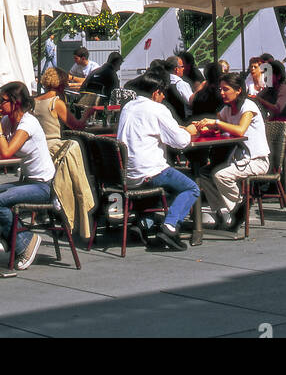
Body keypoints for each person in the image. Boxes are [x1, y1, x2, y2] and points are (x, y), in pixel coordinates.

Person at [0, 81, 57, 269]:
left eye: (3, 101)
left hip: (43, 185)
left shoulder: (28, 123)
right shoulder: (8, 121)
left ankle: (25, 239)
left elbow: (6, 152)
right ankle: (13, 239)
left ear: (16, 102)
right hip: (27, 181)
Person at [116, 75, 200, 251]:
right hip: (149, 171)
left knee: (164, 190)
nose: (164, 99)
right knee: (191, 188)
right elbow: (180, 142)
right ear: (156, 93)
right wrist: (190, 130)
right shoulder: (157, 109)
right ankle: (170, 227)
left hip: (127, 175)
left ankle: (142, 223)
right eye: (163, 95)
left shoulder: (128, 107)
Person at [193, 71, 271, 230]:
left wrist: (216, 123)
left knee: (220, 175)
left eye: (226, 89)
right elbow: (217, 126)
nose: (222, 93)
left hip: (256, 161)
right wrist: (199, 126)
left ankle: (238, 208)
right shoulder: (227, 110)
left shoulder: (248, 107)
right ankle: (222, 211)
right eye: (220, 89)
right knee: (204, 173)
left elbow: (240, 130)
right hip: (236, 160)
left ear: (238, 90)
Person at [32, 67, 87, 148]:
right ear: (62, 84)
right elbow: (76, 126)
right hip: (53, 147)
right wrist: (87, 114)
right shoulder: (56, 103)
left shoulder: (34, 101)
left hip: (37, 146)